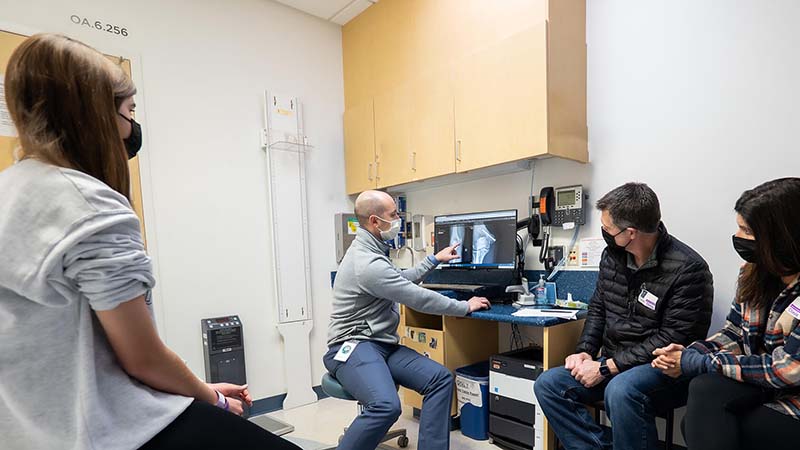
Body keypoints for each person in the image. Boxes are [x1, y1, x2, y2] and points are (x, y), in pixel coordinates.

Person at [0, 33, 299, 450]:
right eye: (129, 111)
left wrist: (192, 389)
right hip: (110, 429)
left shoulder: (12, 191)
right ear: (96, 116)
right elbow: (142, 358)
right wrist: (210, 397)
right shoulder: (88, 203)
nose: (132, 127)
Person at [534, 182, 713, 450]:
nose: (604, 233)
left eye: (607, 229)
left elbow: (673, 337)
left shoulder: (688, 269)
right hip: (614, 363)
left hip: (664, 370)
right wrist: (585, 351)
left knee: (620, 390)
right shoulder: (612, 256)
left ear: (630, 233)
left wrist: (606, 368)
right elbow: (599, 307)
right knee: (549, 384)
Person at [324, 190, 491, 450]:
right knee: (386, 405)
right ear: (374, 221)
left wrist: (434, 259)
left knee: (440, 378)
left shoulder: (374, 249)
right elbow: (417, 298)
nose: (398, 219)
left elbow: (401, 279)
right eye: (393, 215)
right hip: (353, 345)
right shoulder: (366, 262)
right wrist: (464, 307)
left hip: (382, 344)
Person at [652, 177, 800, 450]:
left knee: (703, 423)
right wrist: (692, 353)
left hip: (792, 398)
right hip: (762, 384)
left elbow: (789, 370)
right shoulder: (754, 274)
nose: (739, 238)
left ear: (780, 235)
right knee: (704, 390)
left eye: (747, 230)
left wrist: (698, 363)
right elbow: (734, 332)